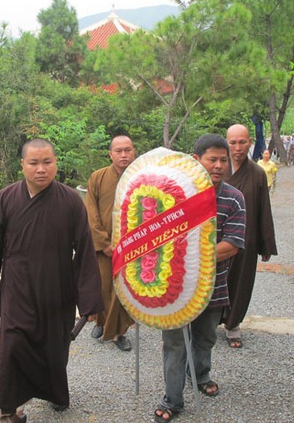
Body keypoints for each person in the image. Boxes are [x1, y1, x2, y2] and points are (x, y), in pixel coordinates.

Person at [0, 138, 104, 423]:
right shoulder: (4, 199)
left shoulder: (70, 201)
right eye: (34, 163)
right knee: (13, 346)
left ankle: (55, 394)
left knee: (55, 346)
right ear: (23, 165)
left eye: (47, 162)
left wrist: (90, 300)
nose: (41, 169)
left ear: (56, 163)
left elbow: (84, 252)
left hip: (58, 288)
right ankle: (9, 408)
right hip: (17, 287)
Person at [154, 134, 246, 423]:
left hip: (213, 287)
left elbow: (232, 244)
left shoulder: (234, 199)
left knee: (205, 339)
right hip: (174, 289)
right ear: (196, 160)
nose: (218, 165)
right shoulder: (174, 194)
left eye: (223, 160)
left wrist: (188, 256)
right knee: (174, 344)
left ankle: (202, 375)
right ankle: (173, 399)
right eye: (212, 159)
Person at [224, 124, 278, 348]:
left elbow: (264, 209)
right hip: (217, 237)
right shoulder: (217, 167)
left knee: (241, 281)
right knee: (214, 280)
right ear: (226, 143)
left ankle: (233, 324)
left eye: (242, 142)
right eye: (233, 142)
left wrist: (266, 244)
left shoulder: (256, 173)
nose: (238, 148)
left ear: (250, 143)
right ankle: (208, 321)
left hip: (246, 237)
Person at [85, 135, 136, 351]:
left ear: (134, 151)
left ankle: (119, 332)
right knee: (103, 286)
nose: (123, 155)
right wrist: (104, 242)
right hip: (104, 247)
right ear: (110, 154)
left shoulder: (141, 177)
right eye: (118, 151)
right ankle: (101, 321)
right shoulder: (97, 177)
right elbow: (90, 211)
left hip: (132, 246)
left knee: (123, 290)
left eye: (127, 150)